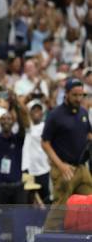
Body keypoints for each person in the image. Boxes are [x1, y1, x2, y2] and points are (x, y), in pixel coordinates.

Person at [42, 78, 92, 231]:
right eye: (75, 95)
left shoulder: (83, 112)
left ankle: (84, 241)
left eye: (81, 95)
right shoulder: (55, 115)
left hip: (82, 168)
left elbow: (88, 133)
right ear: (66, 94)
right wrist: (61, 166)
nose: (78, 99)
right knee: (60, 209)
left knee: (89, 205)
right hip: (64, 168)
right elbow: (45, 143)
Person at [0, 95, 29, 204]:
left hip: (17, 186)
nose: (6, 121)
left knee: (19, 217)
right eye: (3, 119)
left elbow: (22, 125)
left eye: (9, 119)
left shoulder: (18, 139)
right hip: (0, 187)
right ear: (0, 122)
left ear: (13, 122)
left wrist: (15, 106)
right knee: (2, 218)